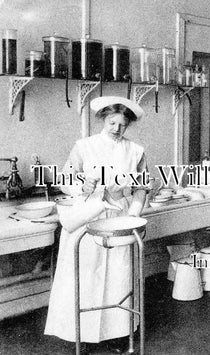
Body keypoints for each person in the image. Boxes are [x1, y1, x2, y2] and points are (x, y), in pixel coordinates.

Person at [45, 96, 147, 354]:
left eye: (123, 125)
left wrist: (132, 217)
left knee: (118, 276)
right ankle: (81, 333)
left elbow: (141, 189)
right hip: (88, 216)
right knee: (86, 276)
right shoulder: (84, 146)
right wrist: (82, 185)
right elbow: (64, 180)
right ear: (103, 118)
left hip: (119, 218)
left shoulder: (136, 151)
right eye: (112, 122)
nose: (117, 129)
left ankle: (117, 334)